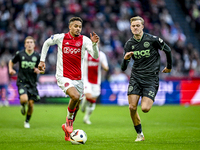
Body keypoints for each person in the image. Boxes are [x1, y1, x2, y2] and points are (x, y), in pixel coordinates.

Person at [38, 17, 99, 141]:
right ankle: (69, 121)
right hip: (63, 76)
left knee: (76, 105)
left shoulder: (85, 40)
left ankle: (67, 131)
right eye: (75, 26)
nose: (78, 29)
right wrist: (42, 60)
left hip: (79, 79)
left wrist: (94, 45)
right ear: (70, 27)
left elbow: (95, 55)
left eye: (80, 27)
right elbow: (46, 43)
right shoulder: (61, 38)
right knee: (75, 96)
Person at [121, 16, 172, 142]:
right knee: (132, 107)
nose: (135, 28)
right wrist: (125, 59)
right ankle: (139, 134)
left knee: (145, 109)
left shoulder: (153, 40)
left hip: (151, 79)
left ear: (142, 26)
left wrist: (169, 67)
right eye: (133, 26)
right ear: (130, 27)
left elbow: (168, 50)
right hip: (136, 77)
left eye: (138, 25)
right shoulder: (129, 44)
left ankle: (140, 132)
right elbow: (123, 68)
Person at [8, 36, 42, 128]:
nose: (29, 44)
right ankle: (23, 105)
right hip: (22, 81)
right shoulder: (20, 54)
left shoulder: (38, 56)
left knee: (31, 104)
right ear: (25, 44)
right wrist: (10, 69)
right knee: (24, 99)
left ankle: (27, 121)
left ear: (34, 45)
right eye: (27, 42)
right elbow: (11, 62)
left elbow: (42, 69)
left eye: (31, 42)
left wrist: (39, 71)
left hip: (32, 83)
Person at [81, 43, 109, 124]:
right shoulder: (85, 53)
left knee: (93, 100)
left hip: (96, 81)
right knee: (89, 96)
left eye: (97, 43)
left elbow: (106, 68)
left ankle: (86, 118)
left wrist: (105, 67)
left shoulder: (102, 55)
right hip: (86, 79)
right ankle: (83, 104)